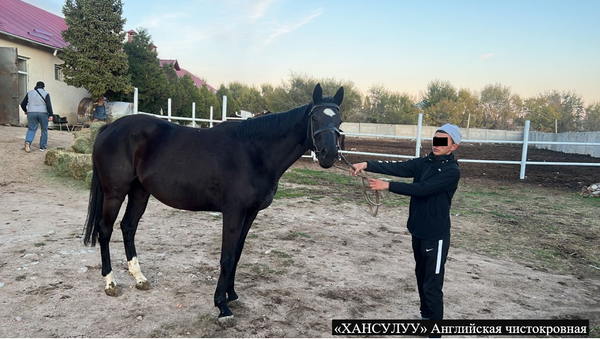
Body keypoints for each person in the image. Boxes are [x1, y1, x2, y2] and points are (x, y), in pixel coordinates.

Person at [351, 124, 462, 325]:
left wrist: (388, 186)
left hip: (435, 235)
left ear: (453, 146)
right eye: (435, 139)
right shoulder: (424, 162)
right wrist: (366, 164)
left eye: (442, 141)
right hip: (418, 230)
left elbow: (423, 189)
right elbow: (397, 167)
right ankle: (425, 315)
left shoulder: (451, 171)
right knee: (421, 276)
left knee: (432, 283)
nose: (436, 145)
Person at [21, 81, 54, 152]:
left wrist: (26, 110)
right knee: (44, 130)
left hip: (31, 113)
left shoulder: (29, 93)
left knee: (31, 129)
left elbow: (23, 104)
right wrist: (51, 114)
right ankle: (42, 147)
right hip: (43, 113)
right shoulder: (46, 94)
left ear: (36, 86)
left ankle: (28, 142)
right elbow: (48, 105)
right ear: (43, 87)